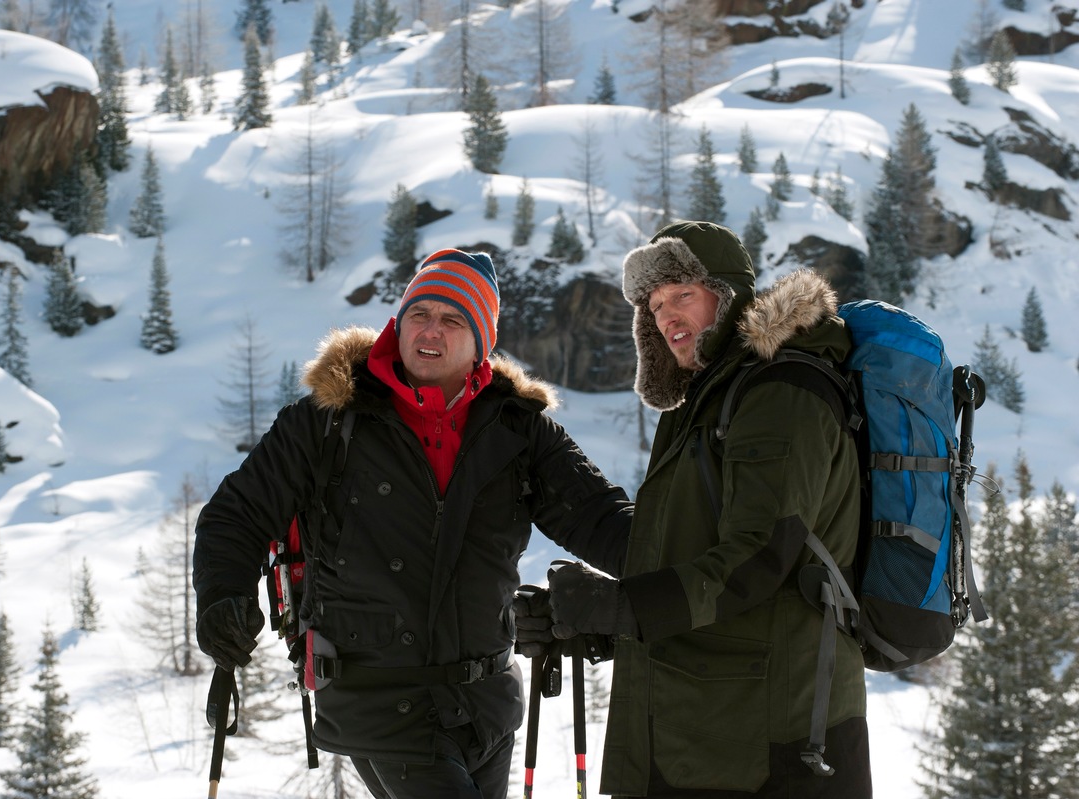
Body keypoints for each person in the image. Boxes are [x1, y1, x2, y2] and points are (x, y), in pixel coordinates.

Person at [192, 248, 632, 799]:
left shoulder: (519, 431)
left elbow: (602, 519)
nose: (431, 330)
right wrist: (221, 597)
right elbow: (236, 515)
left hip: (487, 705)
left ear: (481, 345)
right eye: (419, 313)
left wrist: (690, 559)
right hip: (378, 702)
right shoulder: (328, 422)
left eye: (453, 320)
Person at [518, 220, 870, 797]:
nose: (667, 316)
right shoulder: (708, 400)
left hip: (775, 742)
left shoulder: (781, 390)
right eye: (654, 306)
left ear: (727, 295)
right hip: (706, 729)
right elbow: (679, 554)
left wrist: (620, 608)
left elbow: (757, 557)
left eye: (683, 294)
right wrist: (587, 622)